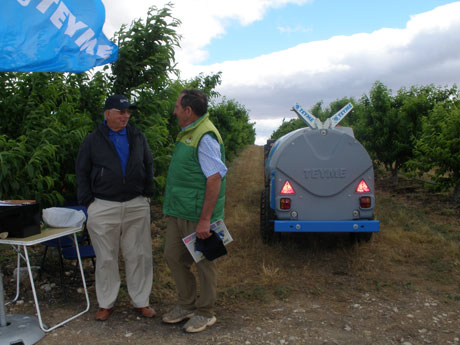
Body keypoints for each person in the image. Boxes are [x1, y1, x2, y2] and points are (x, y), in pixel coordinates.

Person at [76, 94, 156, 321]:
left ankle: (141, 301)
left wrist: (146, 194)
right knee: (106, 257)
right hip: (103, 205)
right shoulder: (93, 140)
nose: (126, 116)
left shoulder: (137, 135)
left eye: (128, 112)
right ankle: (106, 303)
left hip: (135, 204)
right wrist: (88, 202)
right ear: (107, 113)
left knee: (139, 254)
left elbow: (148, 163)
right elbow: (81, 171)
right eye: (121, 112)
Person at [162, 89, 227, 333]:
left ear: (189, 111)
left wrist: (205, 220)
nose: (174, 111)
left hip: (198, 214)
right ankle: (187, 304)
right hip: (180, 211)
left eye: (177, 106)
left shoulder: (205, 135)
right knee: (173, 255)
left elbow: (214, 179)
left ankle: (205, 312)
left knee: (204, 262)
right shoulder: (188, 133)